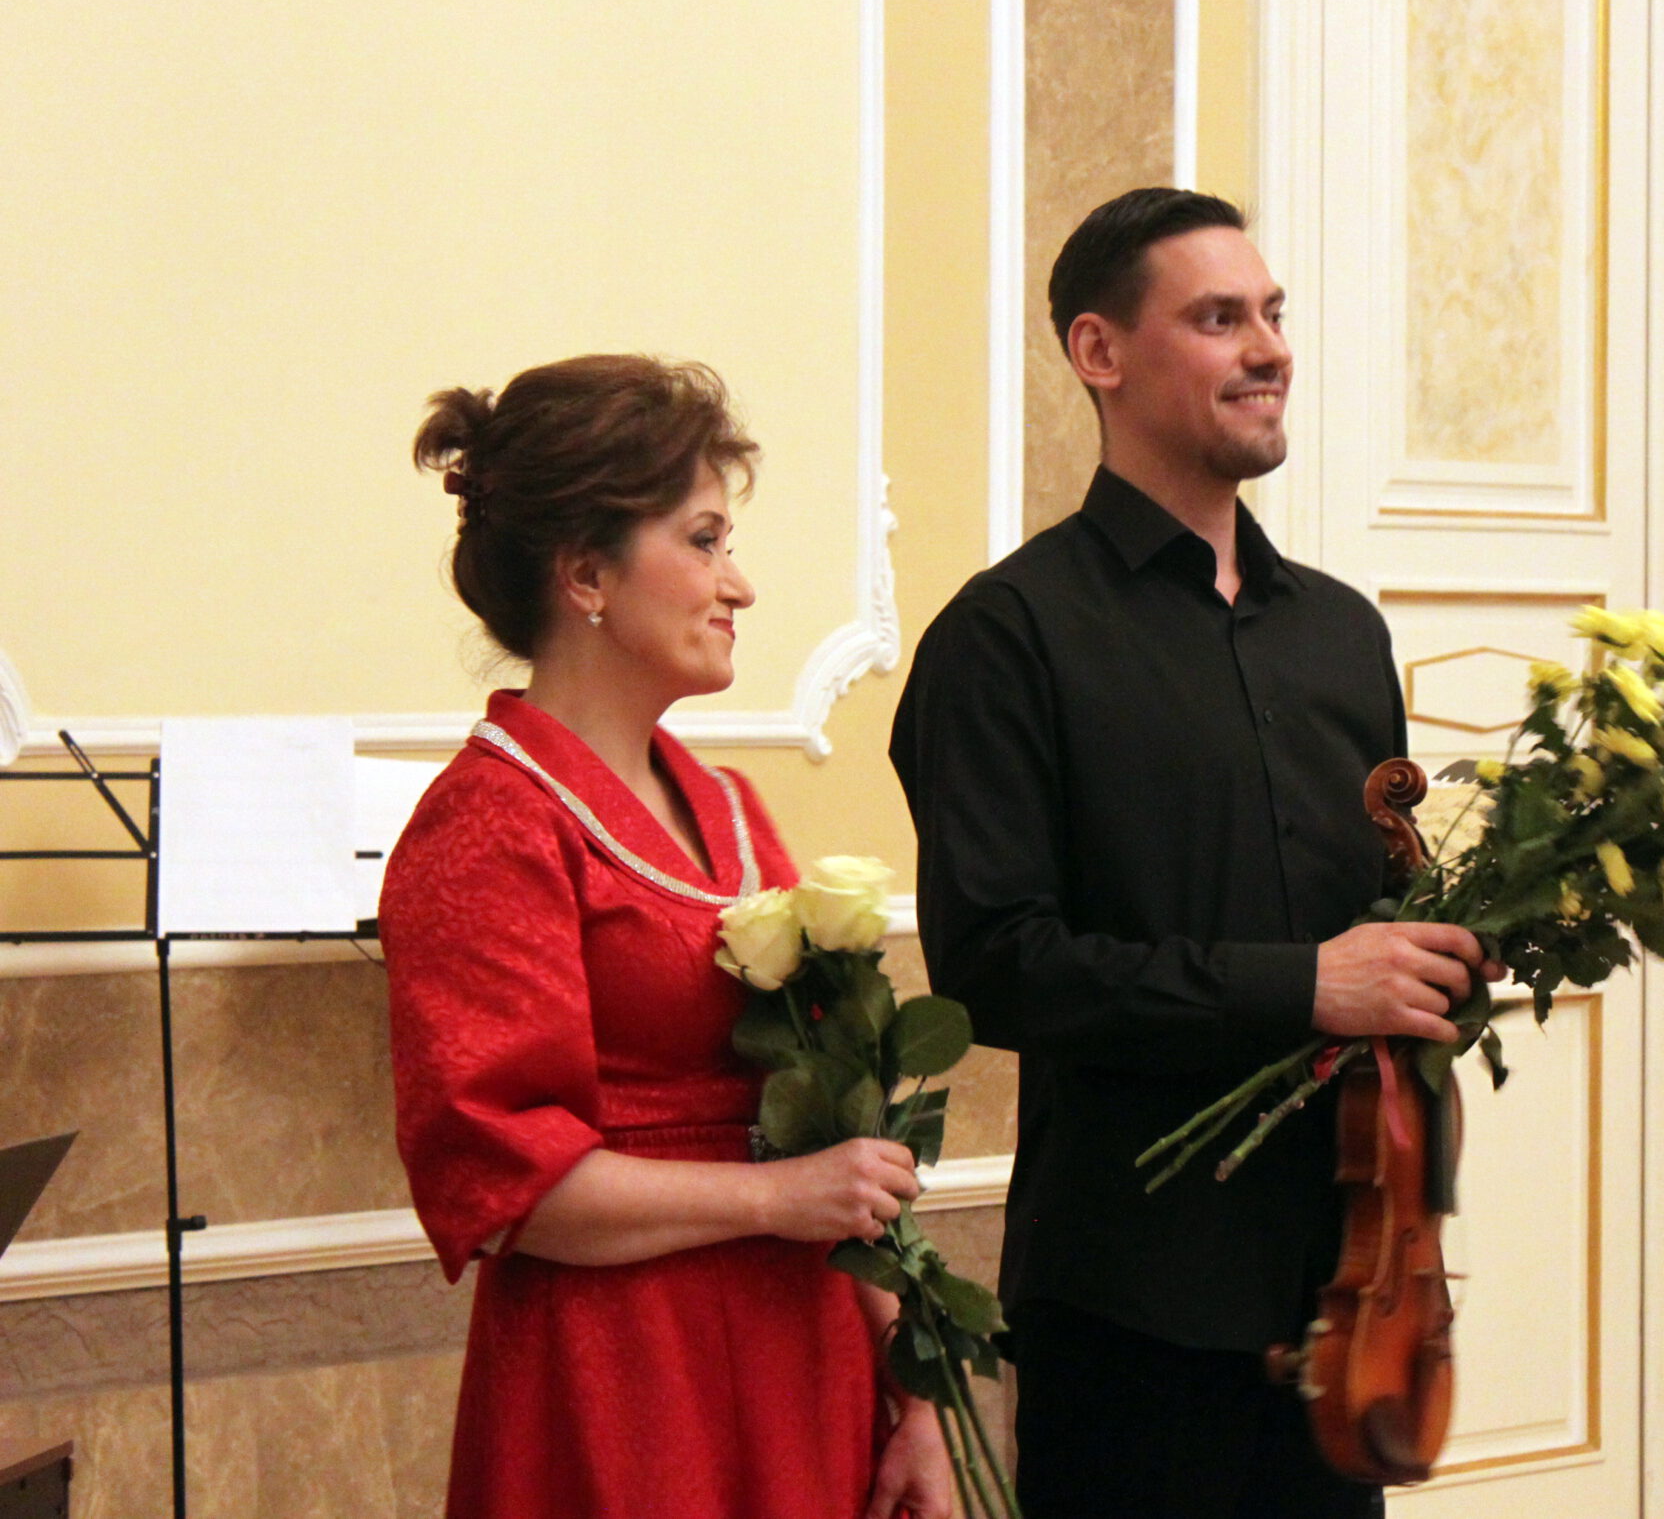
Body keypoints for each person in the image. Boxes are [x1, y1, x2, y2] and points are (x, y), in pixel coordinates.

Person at [890, 190, 1492, 1518]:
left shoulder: (1342, 634)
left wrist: (1466, 949)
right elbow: (997, 965)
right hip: (1133, 1308)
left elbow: (1384, 933)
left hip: (1349, 1286)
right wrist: (1304, 984)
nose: (1269, 348)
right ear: (1099, 351)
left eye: (1271, 313)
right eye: (1219, 319)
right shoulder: (1006, 635)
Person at [381, 355, 952, 1519]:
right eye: (703, 541)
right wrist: (775, 1199)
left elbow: (838, 1122)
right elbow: (508, 1187)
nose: (739, 584)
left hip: (803, 1361)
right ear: (587, 572)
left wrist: (917, 1397)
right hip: (623, 1378)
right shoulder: (488, 825)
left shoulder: (732, 811)